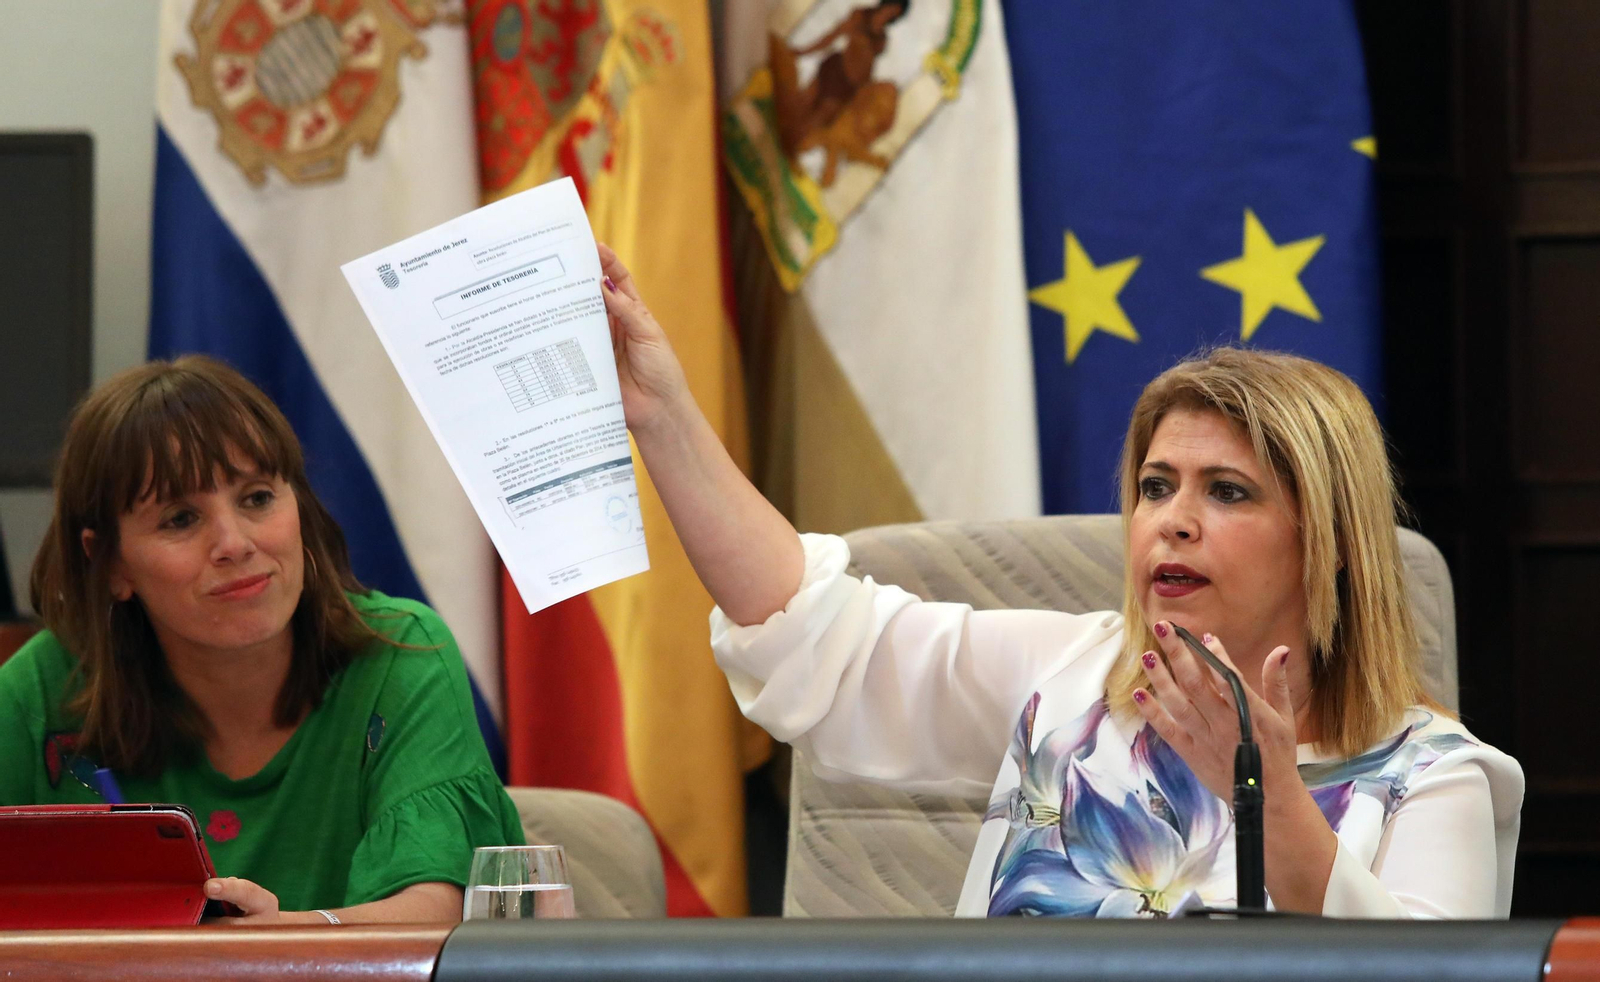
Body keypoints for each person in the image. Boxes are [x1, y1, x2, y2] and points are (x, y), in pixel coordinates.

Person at [599, 245, 1523, 918]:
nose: (1174, 519)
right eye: (1156, 487)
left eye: (1228, 492)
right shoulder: (1072, 677)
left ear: (1334, 544)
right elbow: (808, 628)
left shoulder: (1435, 780)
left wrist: (1267, 797)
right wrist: (664, 417)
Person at [0, 356, 524, 924]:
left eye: (256, 498)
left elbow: (439, 910)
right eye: (180, 519)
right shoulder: (38, 693)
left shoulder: (397, 653)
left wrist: (284, 942)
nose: (235, 543)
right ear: (109, 565)